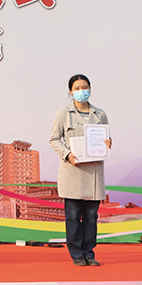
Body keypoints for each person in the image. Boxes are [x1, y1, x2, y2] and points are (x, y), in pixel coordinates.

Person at [49, 74, 112, 266]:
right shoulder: (63, 113)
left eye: (84, 87)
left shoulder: (100, 114)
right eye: (77, 88)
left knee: (91, 216)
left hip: (93, 172)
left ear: (90, 89)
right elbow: (54, 139)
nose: (81, 91)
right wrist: (67, 154)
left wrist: (107, 143)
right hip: (72, 170)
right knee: (73, 216)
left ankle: (89, 253)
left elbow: (105, 138)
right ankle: (76, 253)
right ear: (71, 91)